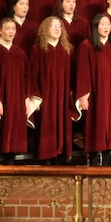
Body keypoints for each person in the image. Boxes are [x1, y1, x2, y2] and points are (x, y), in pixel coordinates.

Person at [75, 14, 111, 166]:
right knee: (95, 126)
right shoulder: (87, 46)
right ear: (96, 26)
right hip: (95, 94)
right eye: (102, 24)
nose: (106, 27)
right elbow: (83, 71)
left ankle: (106, 161)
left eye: (108, 24)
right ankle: (93, 160)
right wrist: (83, 96)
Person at [0, 17, 36, 164]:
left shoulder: (20, 53)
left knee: (14, 131)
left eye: (13, 29)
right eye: (7, 28)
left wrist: (26, 99)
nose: (11, 32)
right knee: (0, 131)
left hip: (17, 98)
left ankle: (11, 163)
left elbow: (26, 78)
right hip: (1, 97)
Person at [29, 16, 74, 165]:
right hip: (45, 95)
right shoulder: (38, 50)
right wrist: (35, 98)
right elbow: (32, 74)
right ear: (45, 29)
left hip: (62, 95)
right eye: (53, 26)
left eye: (59, 26)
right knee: (47, 124)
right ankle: (46, 157)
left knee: (62, 122)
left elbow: (73, 74)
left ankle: (61, 155)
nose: (57, 29)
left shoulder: (67, 50)